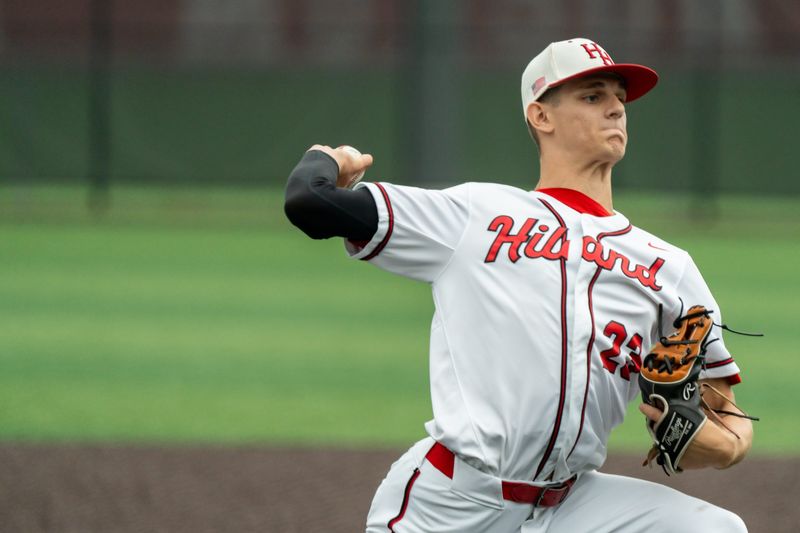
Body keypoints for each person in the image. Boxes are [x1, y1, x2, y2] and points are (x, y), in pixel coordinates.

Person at [284, 38, 752, 533]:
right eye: (592, 96)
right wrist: (327, 159)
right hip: (453, 501)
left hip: (573, 506)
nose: (616, 107)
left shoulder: (668, 267)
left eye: (618, 96)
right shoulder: (477, 215)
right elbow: (309, 203)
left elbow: (727, 414)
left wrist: (726, 447)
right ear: (541, 116)